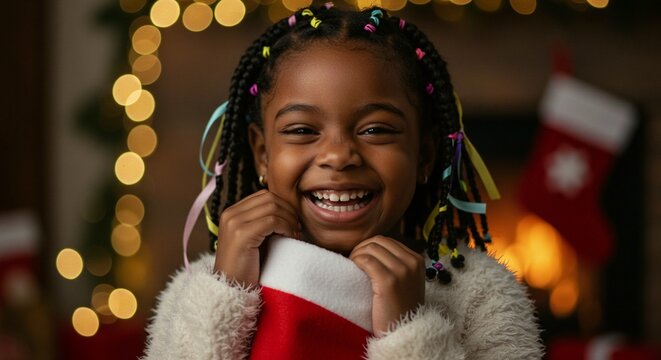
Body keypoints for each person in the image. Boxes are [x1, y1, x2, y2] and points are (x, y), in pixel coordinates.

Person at [143, 4, 543, 359]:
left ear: (424, 155)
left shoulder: (479, 293)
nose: (338, 156)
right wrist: (225, 290)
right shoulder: (211, 284)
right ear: (262, 153)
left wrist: (410, 330)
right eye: (301, 130)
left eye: (375, 130)